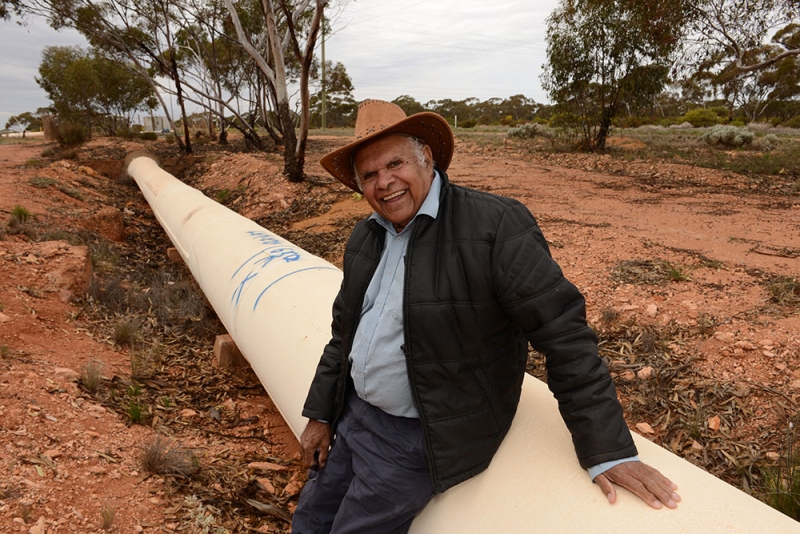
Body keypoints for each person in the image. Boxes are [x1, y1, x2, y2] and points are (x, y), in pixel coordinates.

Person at [291, 99, 679, 534]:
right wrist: (321, 414)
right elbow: (343, 334)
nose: (385, 183)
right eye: (369, 174)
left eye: (395, 163)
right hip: (355, 415)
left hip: (419, 436)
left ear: (427, 158)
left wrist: (608, 449)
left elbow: (564, 334)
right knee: (309, 518)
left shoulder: (494, 227)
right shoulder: (366, 236)